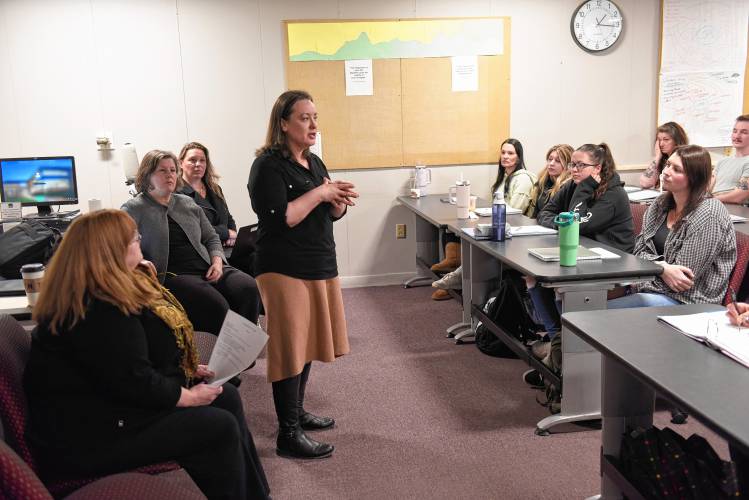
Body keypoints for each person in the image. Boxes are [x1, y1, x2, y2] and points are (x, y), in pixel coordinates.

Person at [23, 209, 270, 500]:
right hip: (89, 437)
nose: (140, 243)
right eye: (135, 239)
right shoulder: (100, 307)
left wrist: (184, 372)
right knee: (218, 428)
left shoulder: (97, 292)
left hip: (107, 407)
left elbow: (123, 364)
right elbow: (134, 380)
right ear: (112, 252)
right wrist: (187, 396)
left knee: (225, 395)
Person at [248, 90, 358, 459]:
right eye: (304, 117)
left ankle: (296, 412)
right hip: (283, 267)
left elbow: (329, 214)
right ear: (283, 123)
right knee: (288, 347)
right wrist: (321, 193)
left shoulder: (314, 162)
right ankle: (287, 434)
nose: (313, 124)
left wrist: (337, 202)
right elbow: (283, 217)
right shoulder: (267, 166)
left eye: (315, 116)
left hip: (318, 263)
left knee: (306, 342)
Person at [122, 150, 260, 335]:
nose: (170, 175)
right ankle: (222, 357)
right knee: (217, 305)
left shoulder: (187, 203)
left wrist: (218, 262)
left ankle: (242, 355)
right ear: (148, 175)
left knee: (248, 288)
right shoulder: (134, 208)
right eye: (163, 170)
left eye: (173, 170)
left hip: (208, 265)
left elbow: (211, 238)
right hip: (173, 273)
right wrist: (140, 263)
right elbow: (122, 246)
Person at [525, 143, 634, 368]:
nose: (574, 169)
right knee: (533, 278)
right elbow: (545, 212)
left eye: (581, 165)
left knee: (561, 286)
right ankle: (558, 341)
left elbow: (576, 224)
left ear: (598, 168)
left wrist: (583, 190)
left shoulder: (614, 194)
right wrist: (560, 223)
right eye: (573, 164)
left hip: (610, 265)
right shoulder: (572, 185)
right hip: (582, 255)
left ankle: (562, 350)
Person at [609, 145, 736, 308]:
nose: (666, 172)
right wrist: (662, 268)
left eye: (676, 169)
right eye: (668, 164)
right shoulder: (660, 204)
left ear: (694, 178)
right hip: (650, 288)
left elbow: (682, 280)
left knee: (591, 314)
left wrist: (638, 280)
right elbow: (638, 251)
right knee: (577, 302)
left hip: (688, 301)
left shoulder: (709, 212)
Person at [432, 138, 536, 295]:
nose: (505, 156)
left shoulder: (522, 179)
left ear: (519, 157)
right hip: (502, 225)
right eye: (503, 153)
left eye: (510, 153)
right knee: (460, 228)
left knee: (478, 241)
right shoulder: (504, 178)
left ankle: (458, 280)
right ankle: (457, 274)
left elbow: (514, 211)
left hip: (514, 230)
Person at [177, 141, 238, 247]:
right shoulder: (177, 193)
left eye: (202, 160)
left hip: (226, 246)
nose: (198, 164)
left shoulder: (215, 189)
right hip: (201, 250)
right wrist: (226, 233)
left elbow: (228, 218)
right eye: (192, 160)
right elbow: (194, 228)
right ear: (180, 163)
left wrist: (233, 236)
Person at [525, 144, 573, 218]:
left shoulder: (569, 186)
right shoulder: (542, 182)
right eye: (550, 159)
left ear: (568, 165)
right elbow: (535, 214)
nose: (551, 163)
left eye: (558, 161)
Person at [639, 122, 689, 190]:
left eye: (666, 140)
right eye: (659, 140)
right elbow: (644, 183)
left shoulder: (685, 160)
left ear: (677, 141)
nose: (661, 144)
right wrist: (657, 157)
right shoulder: (663, 160)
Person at [713, 114, 749, 205]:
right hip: (713, 206)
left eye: (744, 132)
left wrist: (711, 199)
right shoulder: (722, 162)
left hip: (735, 212)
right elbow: (708, 186)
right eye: (735, 131)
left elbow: (739, 195)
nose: (737, 136)